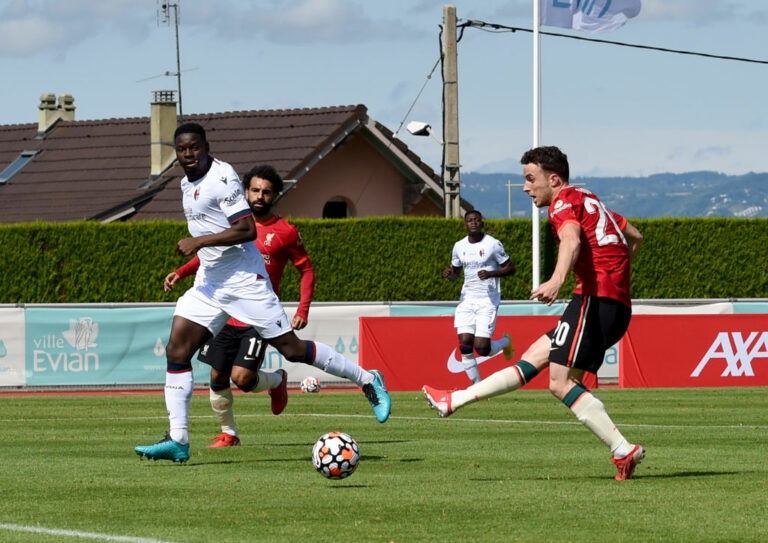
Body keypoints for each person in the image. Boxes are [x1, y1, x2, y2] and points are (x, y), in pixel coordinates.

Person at [135, 123, 391, 464]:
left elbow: (246, 229)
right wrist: (191, 265)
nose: (188, 154)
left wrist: (198, 242)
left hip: (244, 280)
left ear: (206, 146)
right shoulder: (186, 183)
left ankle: (367, 379)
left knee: (293, 349)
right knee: (177, 351)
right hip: (211, 283)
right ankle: (178, 440)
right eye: (181, 149)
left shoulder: (223, 177)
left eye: (194, 147)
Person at [422, 146, 645, 481]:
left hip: (594, 301)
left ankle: (622, 449)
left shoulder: (562, 204)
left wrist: (557, 280)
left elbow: (571, 241)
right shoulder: (587, 196)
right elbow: (634, 236)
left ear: (553, 179)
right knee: (533, 358)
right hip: (609, 302)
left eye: (530, 179)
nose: (526, 187)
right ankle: (454, 400)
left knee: (560, 383)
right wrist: (617, 272)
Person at [166, 164, 316, 448]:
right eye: (255, 190)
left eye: (267, 192)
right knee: (217, 375)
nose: (260, 196)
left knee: (243, 378)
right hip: (224, 310)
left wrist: (302, 310)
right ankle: (229, 434)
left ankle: (275, 380)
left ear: (275, 196)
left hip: (255, 313)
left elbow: (306, 270)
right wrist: (181, 272)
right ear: (245, 191)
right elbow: (210, 256)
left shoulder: (285, 231)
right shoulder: (229, 224)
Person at [443, 210, 516, 383]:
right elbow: (456, 274)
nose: (473, 222)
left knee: (482, 348)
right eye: (470, 220)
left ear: (482, 223)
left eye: (477, 220)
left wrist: (492, 274)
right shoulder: (459, 246)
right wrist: (449, 274)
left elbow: (511, 268)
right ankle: (477, 386)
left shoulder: (493, 244)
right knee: (465, 345)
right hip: (467, 299)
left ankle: (506, 342)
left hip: (488, 299)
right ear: (465, 224)